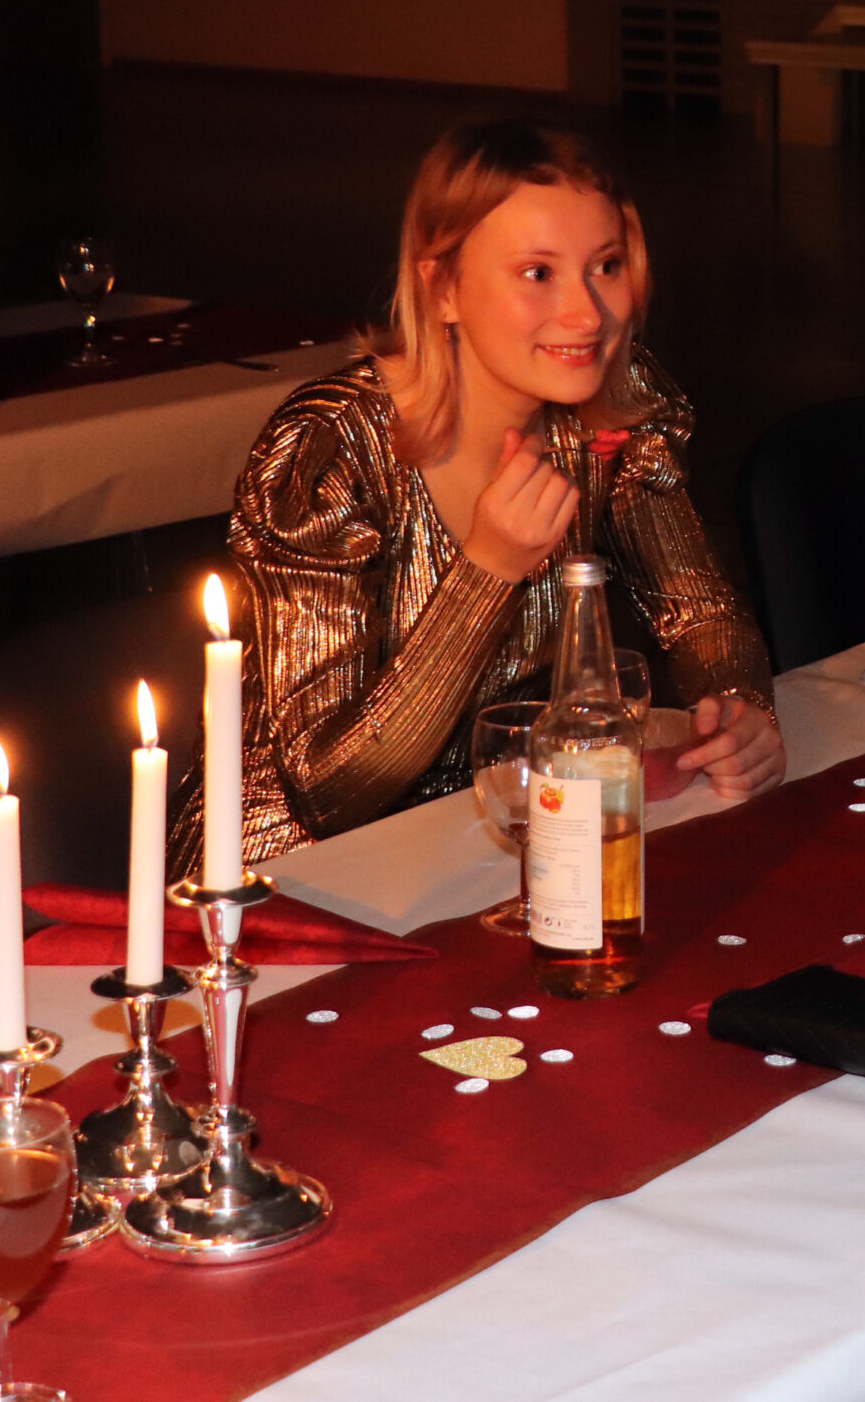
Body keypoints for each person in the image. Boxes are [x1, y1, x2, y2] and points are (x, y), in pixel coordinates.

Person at [168, 120, 782, 877]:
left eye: (607, 265)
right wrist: (488, 569)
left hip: (494, 830)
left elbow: (701, 614)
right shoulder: (333, 448)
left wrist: (737, 707)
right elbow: (329, 793)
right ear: (443, 288)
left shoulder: (611, 406)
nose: (589, 313)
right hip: (289, 879)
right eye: (538, 273)